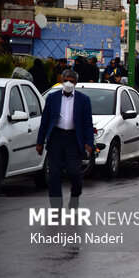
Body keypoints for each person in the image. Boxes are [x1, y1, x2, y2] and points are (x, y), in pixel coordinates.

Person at [36, 69, 94, 208]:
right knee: (54, 174)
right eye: (66, 80)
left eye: (71, 81)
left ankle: (75, 197)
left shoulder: (83, 100)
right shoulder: (52, 98)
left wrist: (89, 142)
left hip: (73, 140)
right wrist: (40, 142)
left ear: (76, 83)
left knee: (75, 173)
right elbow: (45, 121)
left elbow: (87, 123)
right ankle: (56, 207)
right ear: (61, 80)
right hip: (56, 138)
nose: (68, 83)